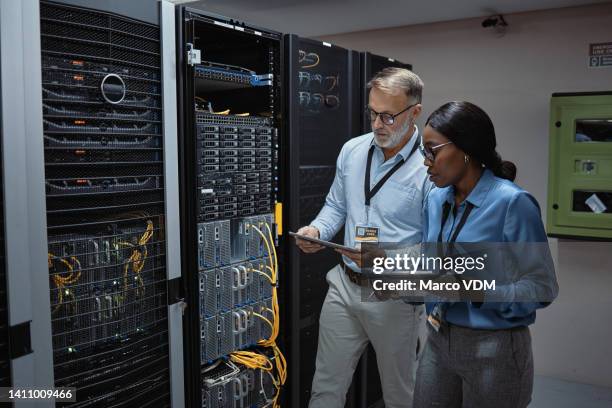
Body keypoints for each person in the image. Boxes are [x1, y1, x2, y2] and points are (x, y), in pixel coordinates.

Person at [295, 67, 432, 408]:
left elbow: (434, 248)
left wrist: (384, 259)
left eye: (388, 116)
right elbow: (335, 207)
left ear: (415, 111)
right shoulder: (353, 150)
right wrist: (317, 230)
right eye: (372, 113)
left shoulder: (430, 169)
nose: (376, 124)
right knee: (325, 387)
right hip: (344, 284)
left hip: (393, 295)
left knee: (402, 394)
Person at [413, 101, 559, 408]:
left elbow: (542, 287)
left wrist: (479, 290)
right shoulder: (435, 199)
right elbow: (430, 268)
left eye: (432, 150)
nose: (426, 161)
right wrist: (395, 274)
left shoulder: (513, 203)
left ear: (465, 149)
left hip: (494, 347)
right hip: (438, 339)